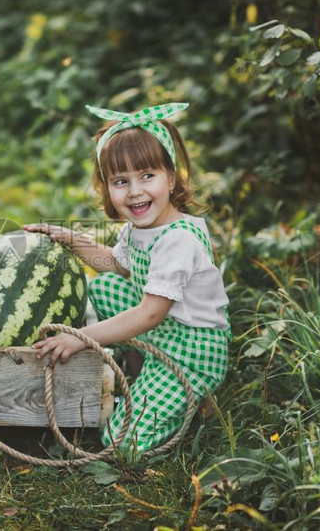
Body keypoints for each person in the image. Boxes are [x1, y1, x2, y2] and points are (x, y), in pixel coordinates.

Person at [23, 102, 230, 452]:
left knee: (122, 443)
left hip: (191, 350)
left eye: (147, 176)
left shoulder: (178, 239)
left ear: (171, 176)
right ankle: (139, 374)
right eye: (121, 181)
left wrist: (81, 338)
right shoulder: (140, 228)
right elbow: (119, 267)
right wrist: (74, 240)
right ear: (107, 188)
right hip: (163, 331)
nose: (134, 191)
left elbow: (149, 313)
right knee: (102, 289)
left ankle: (189, 400)